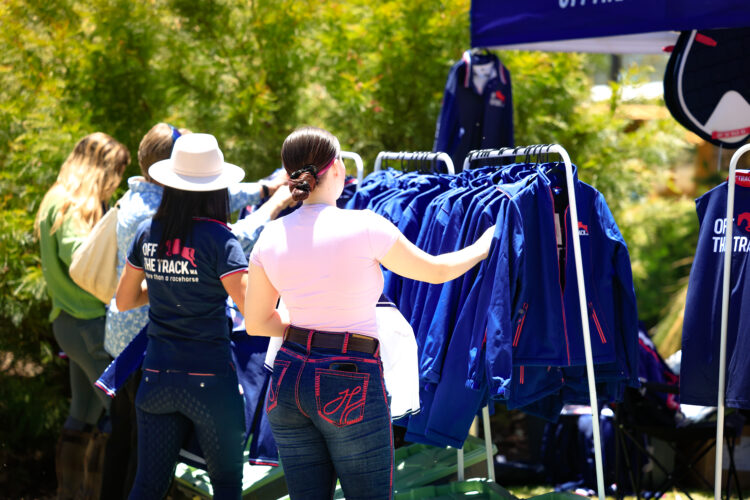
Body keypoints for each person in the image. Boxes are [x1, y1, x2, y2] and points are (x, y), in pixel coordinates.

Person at [244, 126, 495, 499]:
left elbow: (257, 323)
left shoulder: (270, 235)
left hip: (289, 377)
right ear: (337, 169)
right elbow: (436, 271)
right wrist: (483, 245)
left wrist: (306, 323)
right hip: (349, 375)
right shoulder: (365, 225)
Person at [102, 122, 290, 498]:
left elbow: (123, 301)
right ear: (217, 187)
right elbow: (254, 316)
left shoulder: (148, 232)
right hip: (210, 384)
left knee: (148, 485)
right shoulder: (221, 239)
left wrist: (170, 283)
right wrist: (298, 322)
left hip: (156, 379)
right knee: (226, 487)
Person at [34, 132, 130, 499]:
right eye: (116, 172)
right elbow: (80, 263)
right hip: (89, 325)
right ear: (101, 169)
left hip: (69, 323)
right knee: (121, 414)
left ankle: (70, 494)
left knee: (84, 412)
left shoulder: (55, 199)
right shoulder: (74, 206)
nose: (117, 181)